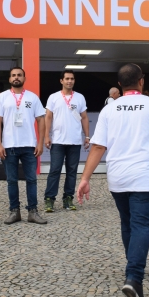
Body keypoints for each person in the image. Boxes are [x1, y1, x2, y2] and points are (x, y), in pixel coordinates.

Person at [76, 64, 149, 297]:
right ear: (141, 82)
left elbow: (99, 147)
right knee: (142, 225)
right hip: (144, 176)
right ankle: (134, 278)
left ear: (120, 85)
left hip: (118, 177)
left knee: (128, 222)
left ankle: (133, 263)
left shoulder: (109, 110)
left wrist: (85, 178)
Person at [0, 67, 47, 225]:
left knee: (32, 180)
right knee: (11, 180)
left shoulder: (33, 98)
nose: (16, 78)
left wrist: (40, 142)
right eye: (13, 75)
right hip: (9, 146)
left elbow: (41, 120)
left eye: (19, 75)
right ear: (9, 79)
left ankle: (33, 212)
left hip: (30, 146)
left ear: (24, 78)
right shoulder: (2, 98)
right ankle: (14, 211)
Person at [43, 70, 90, 213]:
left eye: (72, 79)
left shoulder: (80, 97)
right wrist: (46, 135)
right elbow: (48, 117)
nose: (69, 81)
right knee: (55, 170)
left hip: (75, 141)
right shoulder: (53, 97)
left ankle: (68, 198)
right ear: (61, 81)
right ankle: (49, 199)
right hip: (57, 141)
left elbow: (84, 117)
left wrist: (87, 136)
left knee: (72, 171)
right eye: (67, 79)